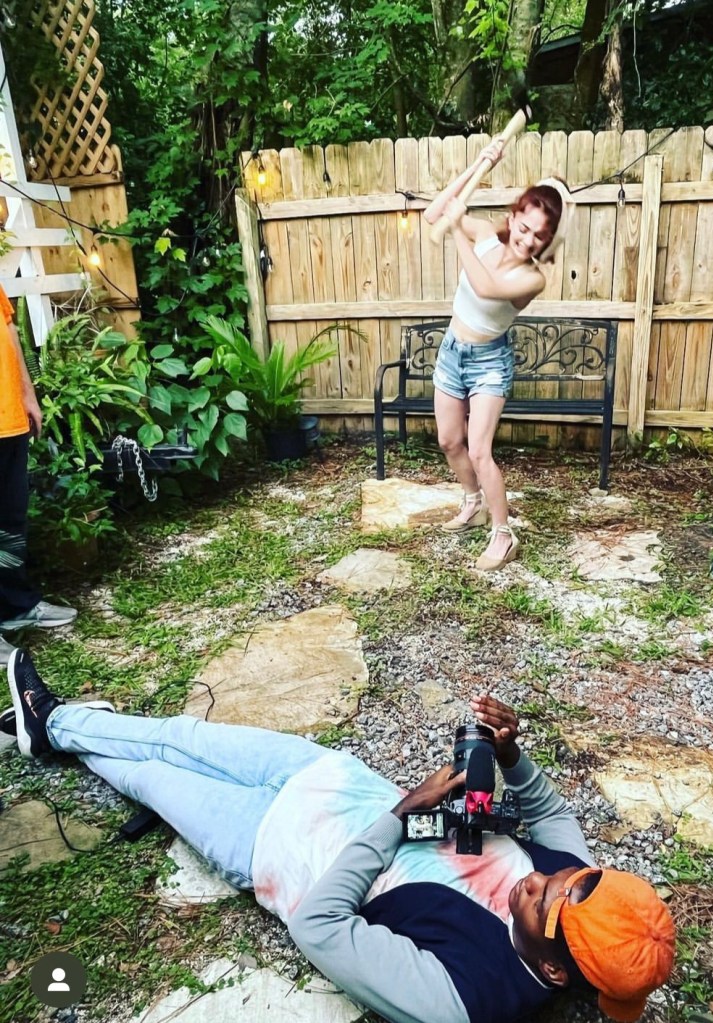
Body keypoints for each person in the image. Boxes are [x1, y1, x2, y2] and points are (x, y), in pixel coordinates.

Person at [4, 646, 675, 1023]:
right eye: (569, 873)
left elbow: (320, 927)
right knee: (185, 735)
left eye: (541, 898)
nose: (540, 876)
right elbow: (553, 817)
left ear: (555, 968)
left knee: (149, 775)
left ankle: (49, 728)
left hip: (272, 844)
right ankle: (54, 722)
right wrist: (509, 755)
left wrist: (400, 814)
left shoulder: (466, 995)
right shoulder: (579, 886)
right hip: (334, 779)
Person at [423, 145, 571, 571]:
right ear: (513, 217)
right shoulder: (486, 233)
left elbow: (485, 286)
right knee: (449, 441)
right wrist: (479, 164)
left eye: (538, 236)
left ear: (547, 242)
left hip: (489, 362)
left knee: (479, 450)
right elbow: (437, 211)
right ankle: (472, 504)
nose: (527, 239)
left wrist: (454, 230)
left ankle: (503, 536)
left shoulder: (531, 278)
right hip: (453, 351)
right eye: (523, 227)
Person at [0, 283, 77, 666]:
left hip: (8, 416)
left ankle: (16, 605)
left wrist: (27, 394)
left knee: (10, 523)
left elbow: (8, 329)